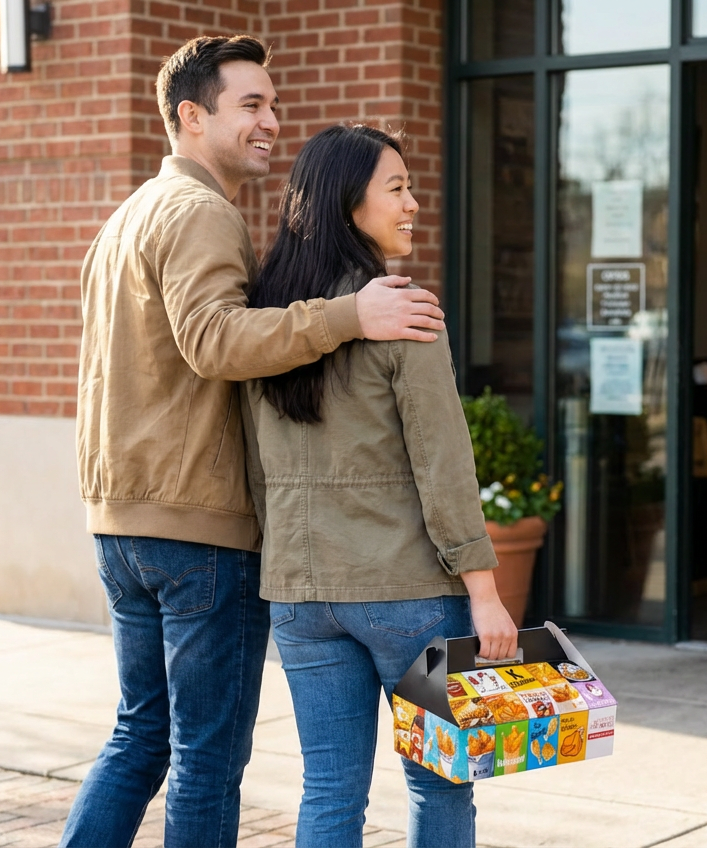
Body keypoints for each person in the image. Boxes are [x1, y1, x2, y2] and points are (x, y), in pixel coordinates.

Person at [63, 37, 446, 848]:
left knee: (140, 735)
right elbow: (216, 341)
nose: (272, 120)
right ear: (191, 116)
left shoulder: (125, 217)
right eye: (251, 105)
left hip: (121, 523)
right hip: (198, 528)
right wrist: (350, 314)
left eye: (273, 104)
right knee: (204, 759)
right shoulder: (202, 212)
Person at [240, 124, 518, 848]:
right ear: (347, 203)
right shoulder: (404, 309)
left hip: (300, 594)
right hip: (406, 592)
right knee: (440, 781)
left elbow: (254, 465)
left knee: (330, 788)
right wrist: (485, 591)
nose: (414, 203)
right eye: (396, 188)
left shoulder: (266, 319)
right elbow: (443, 461)